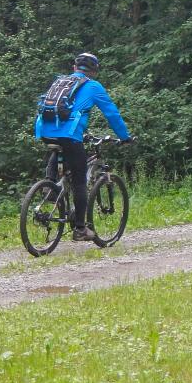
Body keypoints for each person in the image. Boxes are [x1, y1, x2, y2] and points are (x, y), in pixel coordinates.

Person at [35, 52, 132, 241]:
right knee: (80, 180)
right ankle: (80, 229)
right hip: (70, 135)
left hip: (44, 132)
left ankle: (50, 185)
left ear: (74, 68)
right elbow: (112, 114)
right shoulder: (93, 86)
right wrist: (125, 137)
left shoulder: (61, 82)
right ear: (94, 71)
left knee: (60, 147)